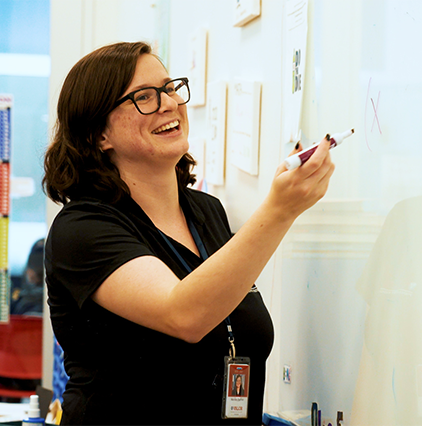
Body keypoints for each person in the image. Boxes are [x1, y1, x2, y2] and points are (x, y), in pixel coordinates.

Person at [42, 41, 334, 425]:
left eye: (169, 88)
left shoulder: (206, 212)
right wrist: (280, 211)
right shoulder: (81, 230)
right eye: (143, 97)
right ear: (99, 135)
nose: (168, 104)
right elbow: (184, 315)